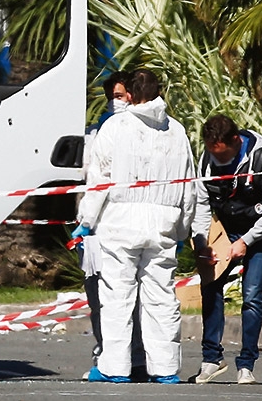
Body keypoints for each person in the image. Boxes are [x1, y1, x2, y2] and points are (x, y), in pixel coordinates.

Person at [74, 69, 195, 384]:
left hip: (122, 220)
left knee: (117, 296)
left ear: (129, 93)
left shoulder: (116, 126)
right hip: (163, 222)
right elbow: (189, 186)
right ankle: (166, 368)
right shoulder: (177, 131)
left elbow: (100, 179)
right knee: (161, 296)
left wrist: (86, 221)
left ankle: (115, 367)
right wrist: (182, 228)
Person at [191, 115, 262, 385]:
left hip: (259, 232)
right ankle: (211, 358)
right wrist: (201, 243)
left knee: (252, 296)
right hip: (224, 231)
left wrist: (246, 241)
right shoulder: (206, 160)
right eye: (212, 153)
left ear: (235, 140)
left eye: (222, 154)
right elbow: (200, 204)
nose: (217, 160)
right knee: (210, 286)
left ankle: (246, 364)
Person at [78, 71, 132, 361]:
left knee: (122, 296)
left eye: (120, 96)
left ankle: (126, 357)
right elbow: (87, 178)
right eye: (112, 97)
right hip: (93, 227)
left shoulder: (140, 134)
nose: (115, 102)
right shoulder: (95, 133)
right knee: (96, 294)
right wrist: (85, 222)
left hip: (119, 222)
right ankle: (103, 350)